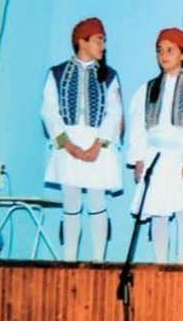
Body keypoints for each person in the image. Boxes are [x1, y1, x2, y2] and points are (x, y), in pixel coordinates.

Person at [126, 28, 183, 264]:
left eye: (170, 50)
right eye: (160, 51)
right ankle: (160, 264)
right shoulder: (147, 89)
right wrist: (139, 158)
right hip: (155, 157)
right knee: (158, 212)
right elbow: (138, 125)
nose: (164, 55)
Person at [41, 17, 122, 262]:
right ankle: (69, 260)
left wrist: (97, 145)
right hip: (68, 143)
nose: (103, 46)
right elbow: (49, 111)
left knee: (97, 201)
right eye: (99, 40)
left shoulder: (109, 76)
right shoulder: (57, 73)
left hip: (99, 142)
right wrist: (69, 145)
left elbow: (114, 112)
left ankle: (99, 260)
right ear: (82, 41)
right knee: (71, 201)